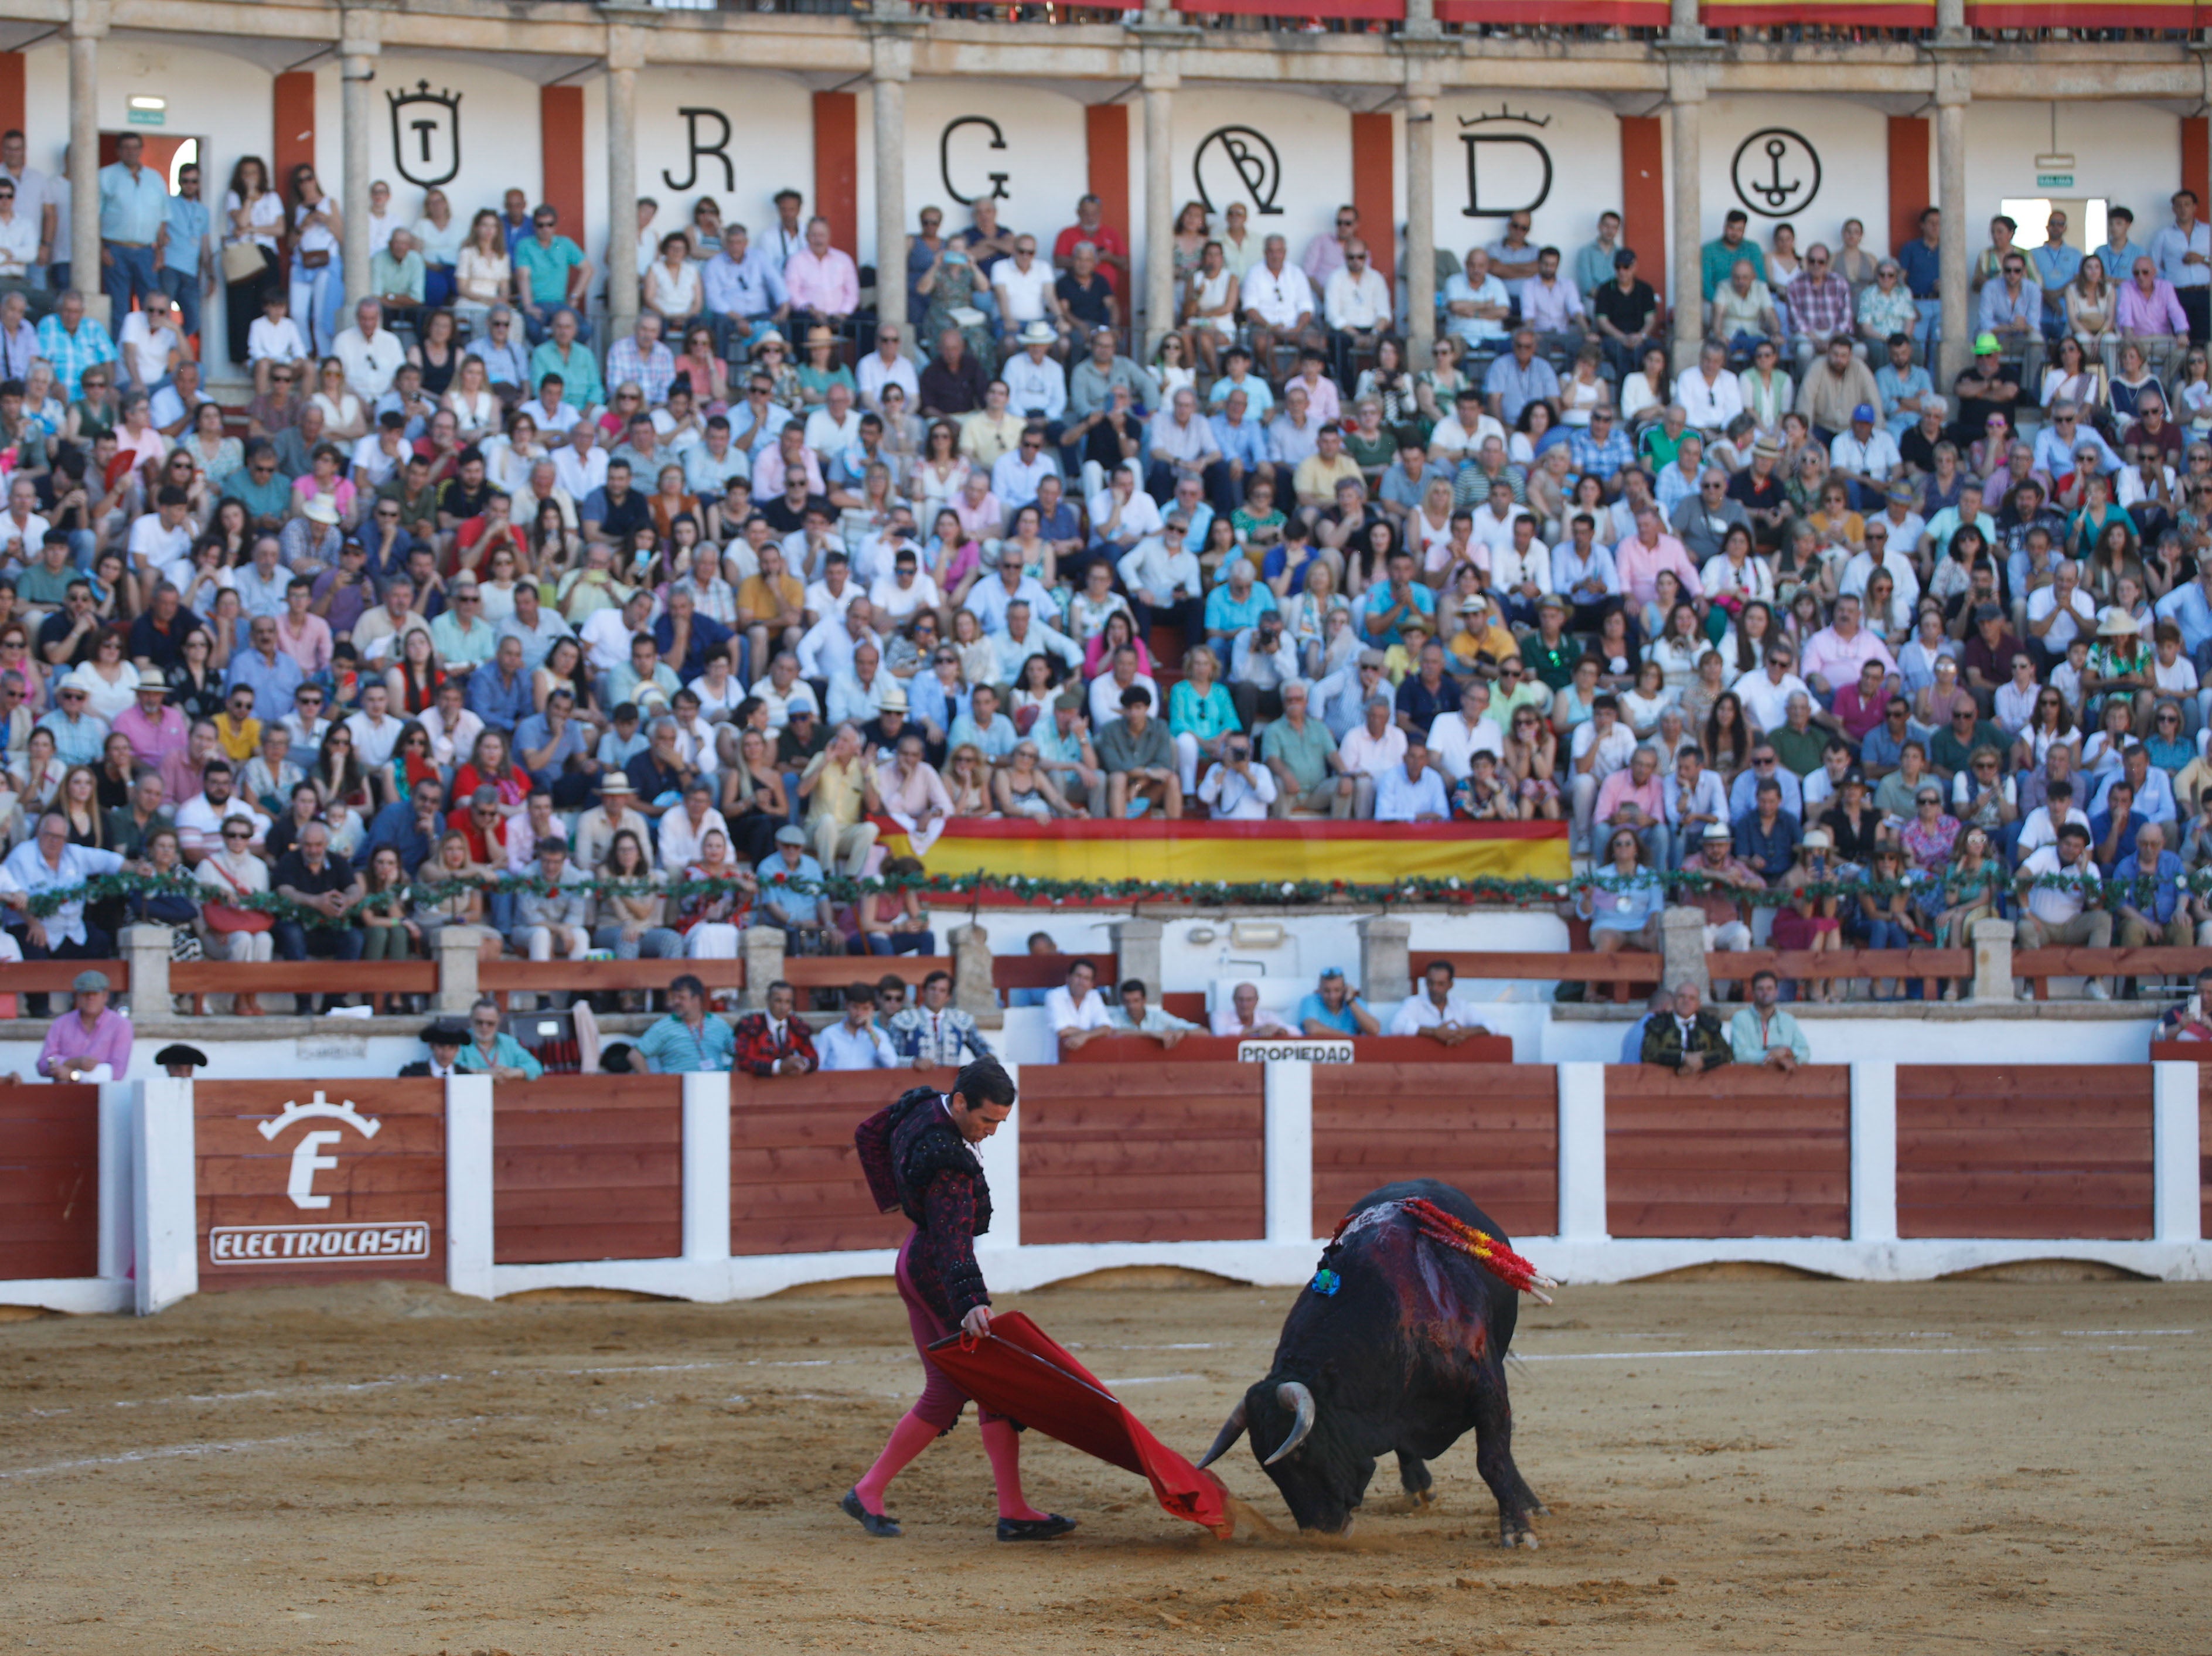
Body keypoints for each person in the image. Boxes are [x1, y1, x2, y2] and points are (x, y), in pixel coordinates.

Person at [847, 1056, 1071, 1541]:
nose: (991, 1131)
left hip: (913, 1259)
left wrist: (895, 1198)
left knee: (948, 1391)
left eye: (1000, 1122)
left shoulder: (922, 1106)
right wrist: (971, 1300)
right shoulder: (949, 1161)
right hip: (935, 1272)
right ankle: (1012, 1512)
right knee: (995, 1381)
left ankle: (868, 1491)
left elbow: (868, 1133)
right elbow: (953, 1239)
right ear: (963, 1101)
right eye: (986, 1119)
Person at [887, 968, 993, 1069]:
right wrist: (912, 1062)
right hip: (913, 1083)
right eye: (933, 989)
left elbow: (984, 1052)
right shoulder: (903, 1020)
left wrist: (986, 1062)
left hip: (950, 1084)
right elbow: (891, 1059)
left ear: (948, 997)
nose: (936, 994)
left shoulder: (960, 1020)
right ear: (924, 991)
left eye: (942, 991)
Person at [38, 968, 131, 1081]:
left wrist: (74, 1075)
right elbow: (43, 1064)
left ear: (105, 996)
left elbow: (117, 1072)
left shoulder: (121, 1025)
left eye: (95, 994)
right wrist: (72, 1062)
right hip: (63, 1094)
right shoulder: (61, 1023)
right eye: (86, 994)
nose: (90, 998)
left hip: (104, 1095)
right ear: (77, 996)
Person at [633, 973, 737, 1074]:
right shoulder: (664, 1027)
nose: (676, 1002)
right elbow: (635, 1055)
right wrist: (651, 1085)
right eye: (674, 998)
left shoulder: (719, 1024)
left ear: (696, 999)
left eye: (681, 998)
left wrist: (734, 1079)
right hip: (676, 1089)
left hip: (714, 1089)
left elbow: (739, 1052)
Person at [1387, 958, 1492, 1044]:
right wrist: (1434, 1032)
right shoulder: (1414, 1003)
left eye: (1441, 984)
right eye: (1431, 983)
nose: (1434, 988)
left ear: (1450, 985)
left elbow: (1492, 1026)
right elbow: (1396, 1026)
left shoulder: (1461, 1006)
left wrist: (1466, 1032)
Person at [1639, 980, 1732, 1072]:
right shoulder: (1658, 1023)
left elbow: (1726, 1053)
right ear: (1674, 1001)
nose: (1686, 1001)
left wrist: (1702, 1060)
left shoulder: (1709, 1024)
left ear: (1699, 1004)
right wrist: (1683, 1058)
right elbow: (1648, 1053)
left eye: (1692, 998)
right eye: (1682, 996)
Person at [732, 978, 817, 1076]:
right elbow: (744, 1060)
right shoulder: (751, 1025)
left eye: (788, 1002)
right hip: (755, 1087)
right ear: (768, 1000)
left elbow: (813, 1058)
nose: (783, 1007)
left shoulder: (797, 1026)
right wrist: (779, 1067)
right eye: (778, 1001)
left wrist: (802, 1064)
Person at [1728, 969, 1809, 1072]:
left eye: (1769, 989)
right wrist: (1773, 1056)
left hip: (1784, 1082)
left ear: (1776, 992)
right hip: (1750, 1080)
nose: (1765, 993)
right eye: (1760, 989)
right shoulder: (1740, 1018)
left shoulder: (1788, 1020)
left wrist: (1787, 1053)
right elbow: (1740, 1055)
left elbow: (1805, 1053)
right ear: (1753, 992)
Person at [454, 994, 544, 1081]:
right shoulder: (458, 1042)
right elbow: (453, 1068)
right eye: (479, 1022)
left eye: (490, 1023)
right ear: (471, 1020)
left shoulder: (509, 1043)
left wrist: (512, 1073)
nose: (484, 1027)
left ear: (498, 1022)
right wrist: (483, 1073)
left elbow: (536, 1067)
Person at [819, 982, 899, 1069]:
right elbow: (817, 1066)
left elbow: (892, 1063)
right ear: (847, 1005)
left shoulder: (879, 1035)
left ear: (872, 1009)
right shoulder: (829, 1034)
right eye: (855, 1007)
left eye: (865, 1008)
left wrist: (870, 1031)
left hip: (868, 1083)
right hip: (834, 1082)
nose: (860, 1013)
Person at [1105, 977, 1198, 1048]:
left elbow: (1203, 1031)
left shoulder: (1159, 1017)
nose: (1131, 1006)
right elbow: (1110, 1032)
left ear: (1144, 1000)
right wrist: (1152, 1034)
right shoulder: (1115, 1016)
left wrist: (1184, 1032)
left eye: (1136, 1001)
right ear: (1122, 1002)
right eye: (1127, 1001)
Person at [1044, 957, 1111, 1053]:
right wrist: (1092, 1034)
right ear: (1068, 978)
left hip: (1088, 1059)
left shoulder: (1094, 995)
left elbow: (1106, 1028)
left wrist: (1086, 1036)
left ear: (1092, 984)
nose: (1081, 982)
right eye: (1078, 976)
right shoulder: (1054, 996)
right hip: (1057, 1061)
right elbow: (1062, 1030)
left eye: (1087, 978)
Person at [1294, 965, 1380, 1037]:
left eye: (1337, 990)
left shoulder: (1355, 1003)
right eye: (1327, 991)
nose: (1332, 996)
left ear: (1344, 989)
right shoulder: (1311, 1001)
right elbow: (1312, 1029)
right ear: (1319, 990)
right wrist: (1346, 1037)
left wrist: (1350, 1002)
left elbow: (1374, 1030)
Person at [1209, 980, 1294, 1038]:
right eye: (1241, 999)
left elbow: (1295, 1031)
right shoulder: (1220, 1015)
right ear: (1234, 1000)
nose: (1245, 1004)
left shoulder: (1267, 1016)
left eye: (1249, 1000)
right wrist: (1259, 1030)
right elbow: (1221, 1032)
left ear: (1257, 1000)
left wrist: (1280, 1030)